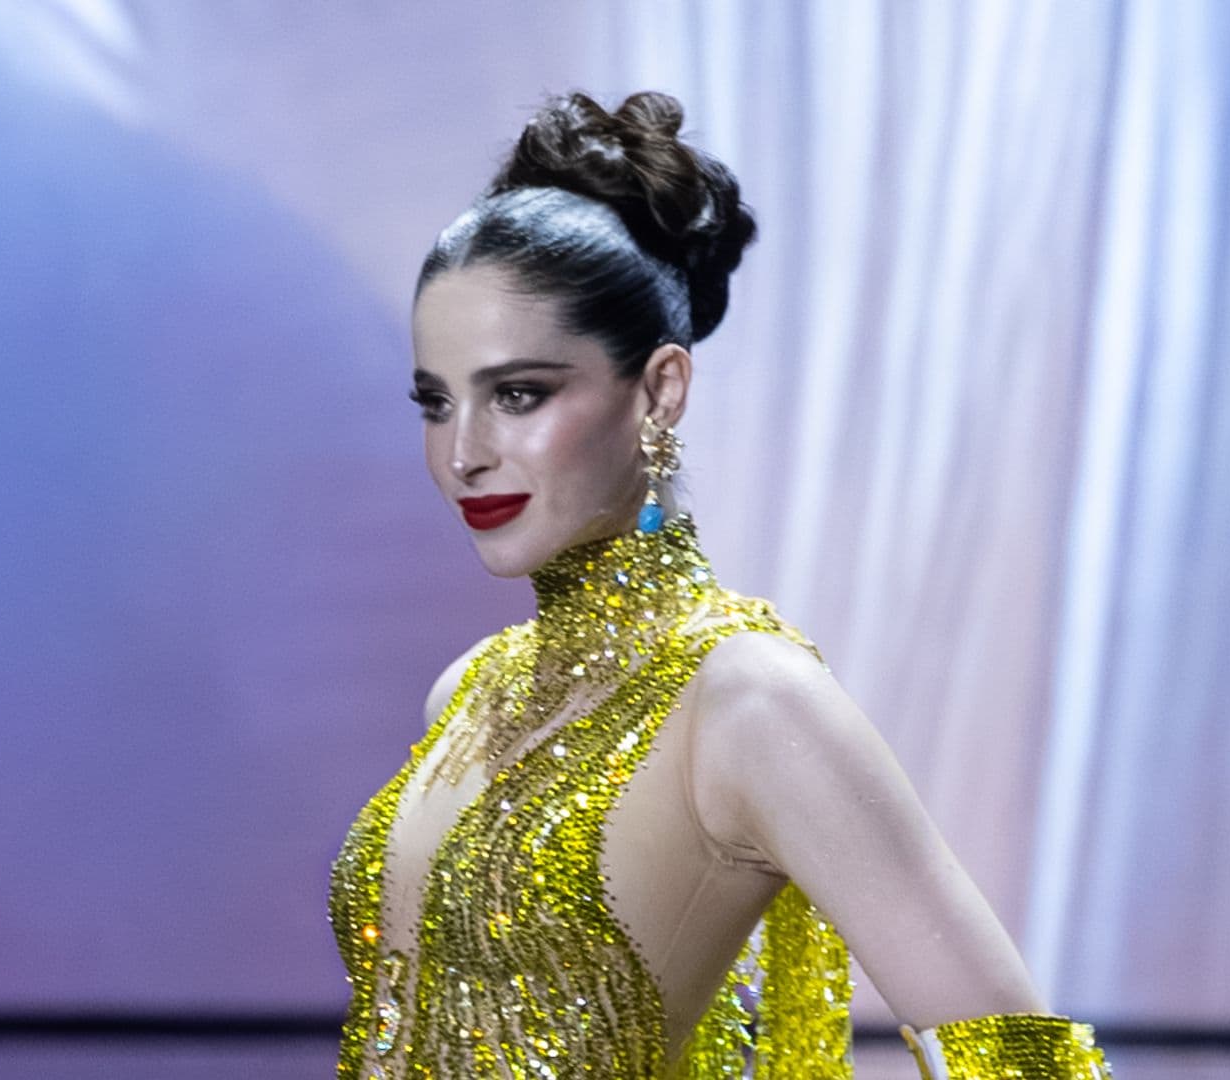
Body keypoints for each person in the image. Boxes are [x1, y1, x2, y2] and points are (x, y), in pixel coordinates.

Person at [328, 89, 1113, 1079]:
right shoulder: (469, 692)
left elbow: (1024, 1063)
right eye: (437, 404)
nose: (464, 455)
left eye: (520, 394)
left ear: (660, 389)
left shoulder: (745, 701)